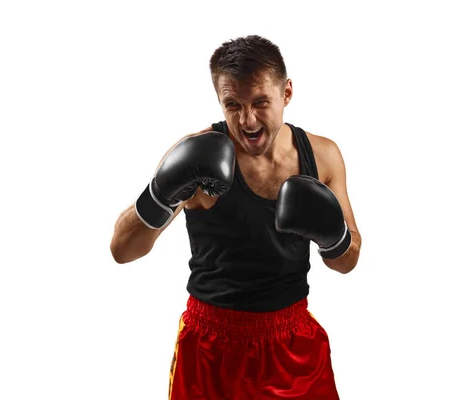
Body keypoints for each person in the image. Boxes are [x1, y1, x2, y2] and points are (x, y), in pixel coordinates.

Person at [110, 35, 362, 400]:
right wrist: (160, 193)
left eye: (260, 102)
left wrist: (334, 234)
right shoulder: (197, 155)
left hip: (292, 346)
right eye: (233, 105)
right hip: (210, 349)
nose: (247, 120)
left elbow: (347, 261)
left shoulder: (322, 156)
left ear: (286, 93)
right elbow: (122, 250)